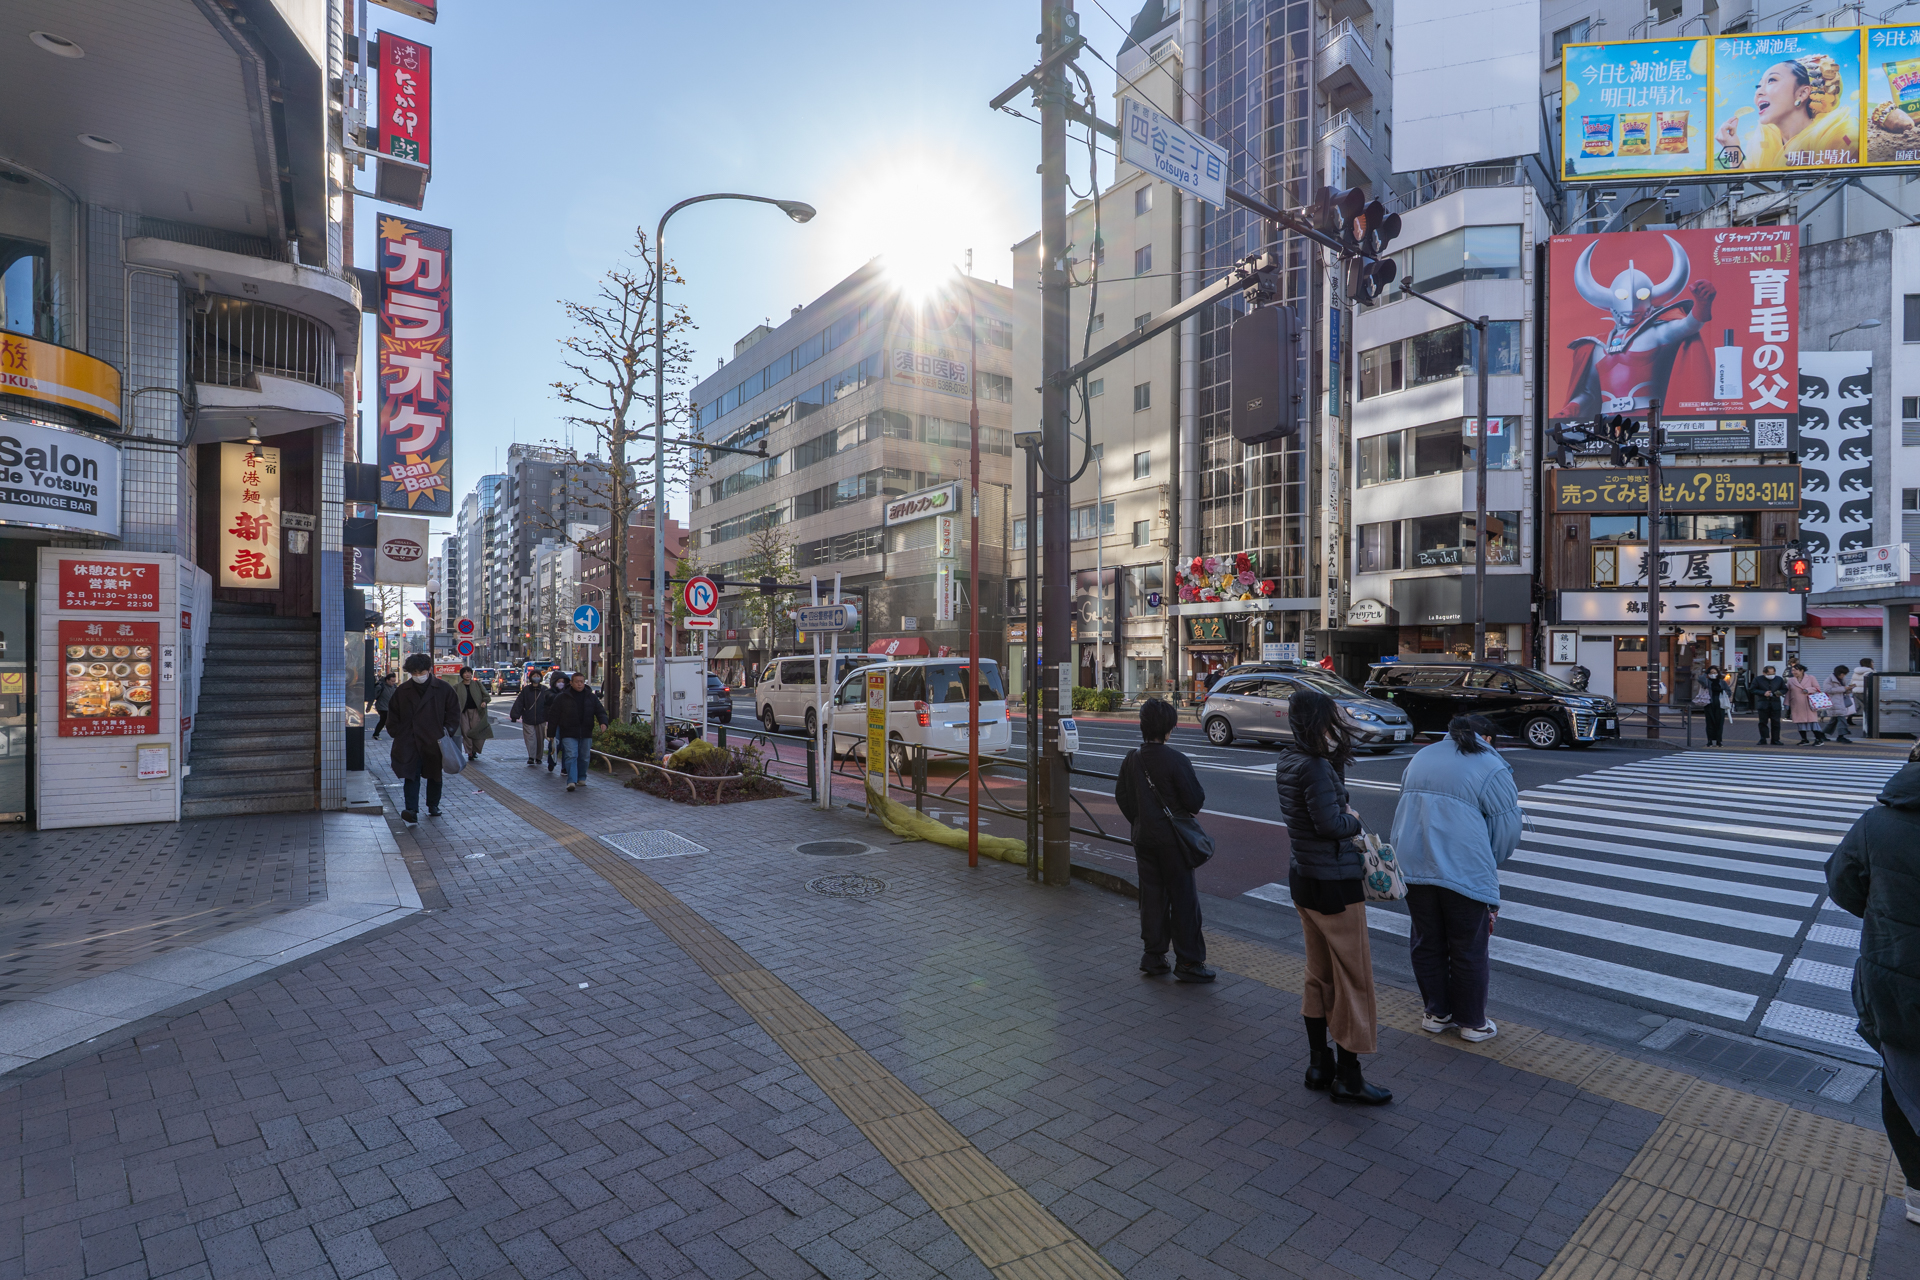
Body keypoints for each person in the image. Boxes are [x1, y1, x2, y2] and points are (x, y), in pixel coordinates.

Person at [1274, 689, 1390, 1106]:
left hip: (1303, 878)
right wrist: (1354, 820)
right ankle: (1350, 1077)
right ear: (1319, 723)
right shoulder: (1316, 767)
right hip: (1333, 884)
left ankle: (1318, 1064)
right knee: (1352, 979)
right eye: (1331, 719)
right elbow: (1330, 824)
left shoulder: (1290, 759)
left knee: (1318, 974)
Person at [1825, 741, 1920, 1228]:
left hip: (1894, 976)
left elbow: (1841, 883)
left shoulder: (1877, 824)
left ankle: (1919, 1192)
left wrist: (1886, 915)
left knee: (1902, 1081)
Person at [1389, 715, 1523, 1045]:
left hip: (1413, 865)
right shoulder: (1490, 766)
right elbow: (1506, 831)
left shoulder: (1422, 756)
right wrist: (1485, 861)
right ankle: (1472, 1023)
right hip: (1463, 869)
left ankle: (1436, 1014)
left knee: (1426, 940)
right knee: (1468, 947)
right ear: (1488, 738)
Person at [1114, 697, 1212, 983]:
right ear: (1169, 728)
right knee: (1183, 900)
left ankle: (1153, 956)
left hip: (1144, 838)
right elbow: (1195, 801)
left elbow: (1122, 796)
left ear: (1143, 726)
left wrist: (1140, 819)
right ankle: (1189, 962)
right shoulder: (1176, 760)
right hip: (1174, 843)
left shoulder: (1132, 758)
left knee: (1152, 898)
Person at [1715, 55, 1857, 171]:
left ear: (1802, 93)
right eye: (1758, 85)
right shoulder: (1764, 140)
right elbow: (1743, 182)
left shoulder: (1837, 137)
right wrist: (1731, 148)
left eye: (1772, 80)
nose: (1758, 92)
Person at [387, 652, 460, 824]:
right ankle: (411, 809)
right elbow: (393, 715)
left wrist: (446, 730)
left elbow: (454, 712)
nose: (418, 676)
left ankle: (433, 805)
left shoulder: (443, 688)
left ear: (429, 670)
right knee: (410, 774)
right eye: (414, 673)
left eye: (421, 672)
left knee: (435, 774)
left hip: (434, 740)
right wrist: (398, 732)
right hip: (409, 740)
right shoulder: (402, 690)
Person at [549, 671, 608, 792]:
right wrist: (551, 733)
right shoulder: (562, 697)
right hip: (568, 732)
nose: (580, 684)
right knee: (571, 755)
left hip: (586, 732)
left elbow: (600, 711)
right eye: (577, 682)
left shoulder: (591, 696)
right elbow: (553, 716)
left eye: (582, 682)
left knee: (584, 757)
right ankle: (571, 781)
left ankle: (582, 777)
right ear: (571, 683)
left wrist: (603, 722)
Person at [508, 675, 551, 766]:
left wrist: (549, 716)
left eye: (538, 676)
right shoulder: (526, 690)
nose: (536, 677)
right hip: (528, 718)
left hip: (541, 718)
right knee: (530, 738)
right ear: (531, 678)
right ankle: (531, 757)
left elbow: (549, 704)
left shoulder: (544, 690)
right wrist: (515, 715)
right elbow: (519, 702)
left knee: (540, 739)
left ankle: (538, 757)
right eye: (534, 676)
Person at [453, 666, 493, 760]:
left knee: (476, 731)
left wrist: (484, 702)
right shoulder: (457, 687)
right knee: (466, 732)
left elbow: (486, 696)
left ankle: (475, 750)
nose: (467, 674)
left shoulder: (477, 684)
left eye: (469, 672)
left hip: (476, 711)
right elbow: (451, 699)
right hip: (463, 713)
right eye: (465, 673)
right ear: (462, 675)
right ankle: (470, 752)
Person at [1786, 662, 1824, 745]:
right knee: (1800, 722)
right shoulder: (1791, 680)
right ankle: (1804, 739)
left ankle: (1819, 739)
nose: (1794, 672)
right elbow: (1788, 692)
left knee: (1813, 722)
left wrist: (1808, 690)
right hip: (1797, 704)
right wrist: (1786, 703)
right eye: (1792, 670)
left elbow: (1817, 688)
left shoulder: (1811, 678)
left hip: (1809, 703)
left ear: (1802, 670)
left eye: (1796, 670)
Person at [1751, 665, 1787, 745]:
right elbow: (1752, 689)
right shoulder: (1758, 679)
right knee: (1763, 722)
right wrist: (1763, 693)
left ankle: (1775, 739)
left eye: (1773, 673)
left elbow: (1784, 689)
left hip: (1775, 703)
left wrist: (1779, 693)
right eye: (1769, 674)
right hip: (1763, 703)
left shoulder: (1779, 679)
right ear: (1764, 673)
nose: (1771, 676)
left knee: (1776, 722)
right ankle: (1763, 738)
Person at [1700, 664, 1733, 747]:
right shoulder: (1707, 682)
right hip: (1709, 703)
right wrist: (1706, 672)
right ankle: (1709, 740)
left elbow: (1729, 692)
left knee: (1719, 723)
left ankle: (1719, 741)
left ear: (1718, 673)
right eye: (1711, 672)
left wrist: (1725, 694)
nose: (1713, 674)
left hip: (1720, 703)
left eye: (1715, 672)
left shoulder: (1722, 682)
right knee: (1709, 723)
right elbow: (1700, 679)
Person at [1822, 664, 1856, 745]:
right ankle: (1841, 736)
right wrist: (1843, 688)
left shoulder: (1842, 680)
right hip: (1834, 703)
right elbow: (1827, 690)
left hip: (1840, 702)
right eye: (1843, 674)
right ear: (1839, 673)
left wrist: (1848, 689)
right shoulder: (1829, 680)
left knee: (1833, 721)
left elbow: (1842, 691)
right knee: (1842, 719)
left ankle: (1821, 734)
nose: (1843, 676)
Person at [543, 670, 568, 770]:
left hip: (567, 723)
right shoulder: (548, 693)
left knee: (567, 745)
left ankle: (565, 768)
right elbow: (550, 698)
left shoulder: (568, 692)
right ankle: (551, 762)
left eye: (563, 681)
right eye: (559, 681)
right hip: (555, 723)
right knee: (554, 744)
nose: (561, 683)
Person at [369, 673, 397, 741]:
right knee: (384, 720)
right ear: (387, 680)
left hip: (390, 707)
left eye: (394, 681)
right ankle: (376, 734)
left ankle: (376, 734)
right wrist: (368, 707)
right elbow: (373, 697)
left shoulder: (394, 687)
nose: (393, 683)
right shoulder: (380, 686)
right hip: (382, 707)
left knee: (385, 720)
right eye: (392, 681)